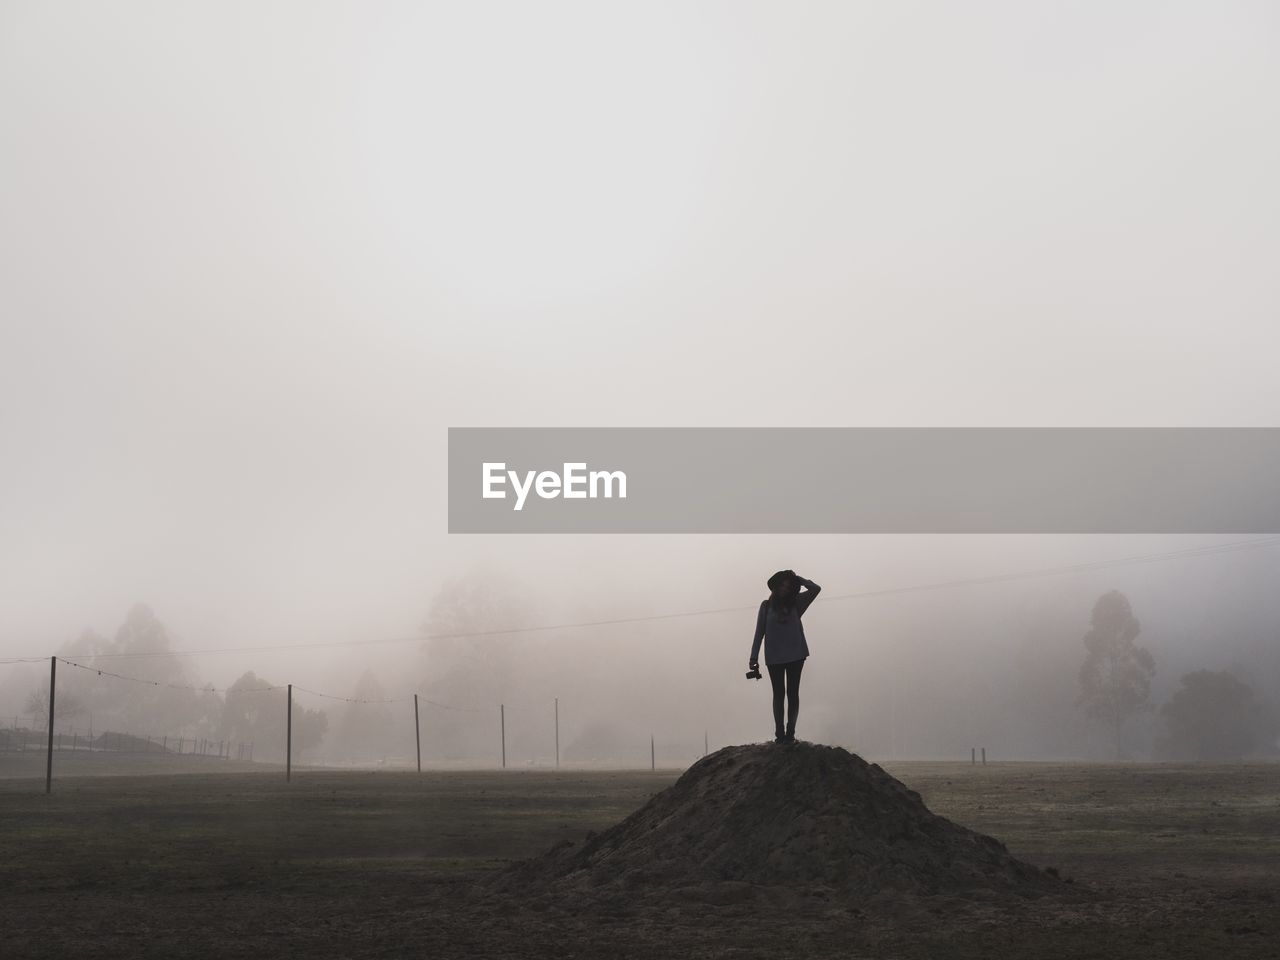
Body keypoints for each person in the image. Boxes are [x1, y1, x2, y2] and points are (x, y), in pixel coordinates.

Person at [749, 569, 821, 744]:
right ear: (775, 586)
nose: (784, 589)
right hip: (774, 657)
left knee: (792, 693)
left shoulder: (797, 603)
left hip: (796, 655)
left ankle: (790, 733)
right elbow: (759, 632)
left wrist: (798, 579)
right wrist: (753, 657)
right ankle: (779, 734)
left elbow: (815, 589)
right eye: (781, 585)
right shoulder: (766, 606)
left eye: (788, 586)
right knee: (778, 694)